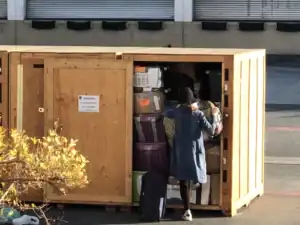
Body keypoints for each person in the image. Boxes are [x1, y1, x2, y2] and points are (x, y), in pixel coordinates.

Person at [166, 87, 219, 221]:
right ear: (192, 101)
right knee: (193, 176)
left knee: (183, 180)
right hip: (195, 150)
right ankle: (194, 204)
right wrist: (214, 115)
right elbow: (212, 131)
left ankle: (187, 210)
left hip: (180, 150)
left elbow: (166, 113)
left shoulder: (176, 112)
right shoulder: (199, 114)